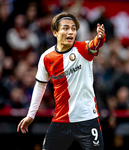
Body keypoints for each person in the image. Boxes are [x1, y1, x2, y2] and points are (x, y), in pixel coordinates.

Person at [17, 12, 106, 150]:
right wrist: (31, 115)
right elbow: (40, 86)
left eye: (73, 28)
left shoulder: (83, 49)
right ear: (55, 32)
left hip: (87, 120)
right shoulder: (46, 57)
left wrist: (100, 37)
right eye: (66, 28)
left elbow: (95, 44)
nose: (71, 31)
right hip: (60, 121)